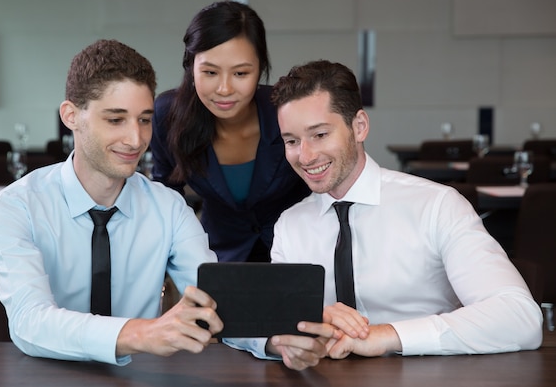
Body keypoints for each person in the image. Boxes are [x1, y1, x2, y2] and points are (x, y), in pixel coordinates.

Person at [227, 60, 543, 370]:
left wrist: (386, 335)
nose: (305, 155)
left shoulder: (437, 206)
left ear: (359, 126)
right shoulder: (291, 225)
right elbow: (252, 322)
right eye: (292, 141)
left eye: (320, 134)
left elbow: (519, 317)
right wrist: (282, 338)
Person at [0, 39, 223, 365]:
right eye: (115, 119)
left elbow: (216, 302)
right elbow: (29, 322)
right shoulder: (14, 207)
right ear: (71, 116)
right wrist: (141, 334)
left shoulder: (170, 209)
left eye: (144, 119)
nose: (136, 140)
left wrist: (276, 342)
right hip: (44, 377)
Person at [150, 0, 310, 262]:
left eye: (240, 73)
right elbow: (166, 196)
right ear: (190, 67)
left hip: (297, 255)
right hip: (218, 257)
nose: (224, 89)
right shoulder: (168, 114)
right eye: (210, 72)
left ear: (260, 68)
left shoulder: (286, 111)